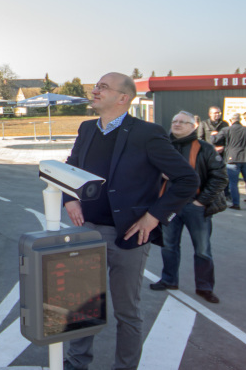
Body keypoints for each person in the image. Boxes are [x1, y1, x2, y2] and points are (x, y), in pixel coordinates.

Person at [63, 72, 199, 370]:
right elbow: (70, 168)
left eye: (103, 87)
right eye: (96, 85)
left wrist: (154, 217)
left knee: (127, 312)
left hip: (127, 235)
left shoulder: (146, 133)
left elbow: (187, 179)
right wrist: (69, 198)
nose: (94, 91)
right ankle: (76, 364)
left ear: (123, 98)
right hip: (86, 233)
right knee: (82, 307)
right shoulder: (86, 129)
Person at [150, 111, 227, 304]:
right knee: (168, 246)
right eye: (174, 121)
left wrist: (202, 201)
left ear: (193, 126)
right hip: (168, 206)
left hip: (196, 206)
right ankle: (169, 280)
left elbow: (220, 177)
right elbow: (146, 173)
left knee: (202, 249)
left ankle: (204, 287)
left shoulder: (205, 148)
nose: (177, 124)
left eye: (182, 122)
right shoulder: (161, 148)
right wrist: (160, 175)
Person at [213, 112, 246, 210]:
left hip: (232, 159)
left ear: (231, 120)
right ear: (240, 120)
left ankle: (236, 204)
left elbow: (215, 140)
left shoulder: (226, 130)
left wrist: (214, 135)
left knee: (233, 183)